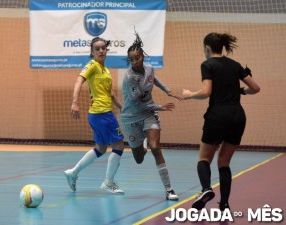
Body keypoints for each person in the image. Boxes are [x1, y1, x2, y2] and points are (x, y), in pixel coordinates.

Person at [182, 32, 260, 210]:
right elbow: (255, 88)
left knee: (203, 158)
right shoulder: (235, 65)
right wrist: (240, 92)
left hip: (218, 115)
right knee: (224, 162)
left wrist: (189, 95)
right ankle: (224, 204)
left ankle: (206, 189)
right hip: (238, 116)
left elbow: (206, 92)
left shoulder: (208, 64)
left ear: (207, 48)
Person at [120, 31, 181, 200]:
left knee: (156, 147)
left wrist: (168, 91)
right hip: (131, 117)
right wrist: (161, 107)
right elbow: (140, 102)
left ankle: (169, 190)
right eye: (131, 59)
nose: (134, 61)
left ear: (142, 57)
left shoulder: (149, 68)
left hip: (148, 114)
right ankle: (143, 142)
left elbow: (153, 78)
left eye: (137, 58)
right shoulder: (130, 78)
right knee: (139, 158)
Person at [64, 37, 125, 194]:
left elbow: (109, 92)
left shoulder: (105, 70)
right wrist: (75, 102)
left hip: (100, 114)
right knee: (118, 144)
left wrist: (121, 107)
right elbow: (79, 81)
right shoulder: (92, 65)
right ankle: (108, 182)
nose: (101, 51)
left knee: (101, 148)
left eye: (103, 48)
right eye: (97, 48)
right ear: (92, 52)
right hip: (102, 113)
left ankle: (73, 173)